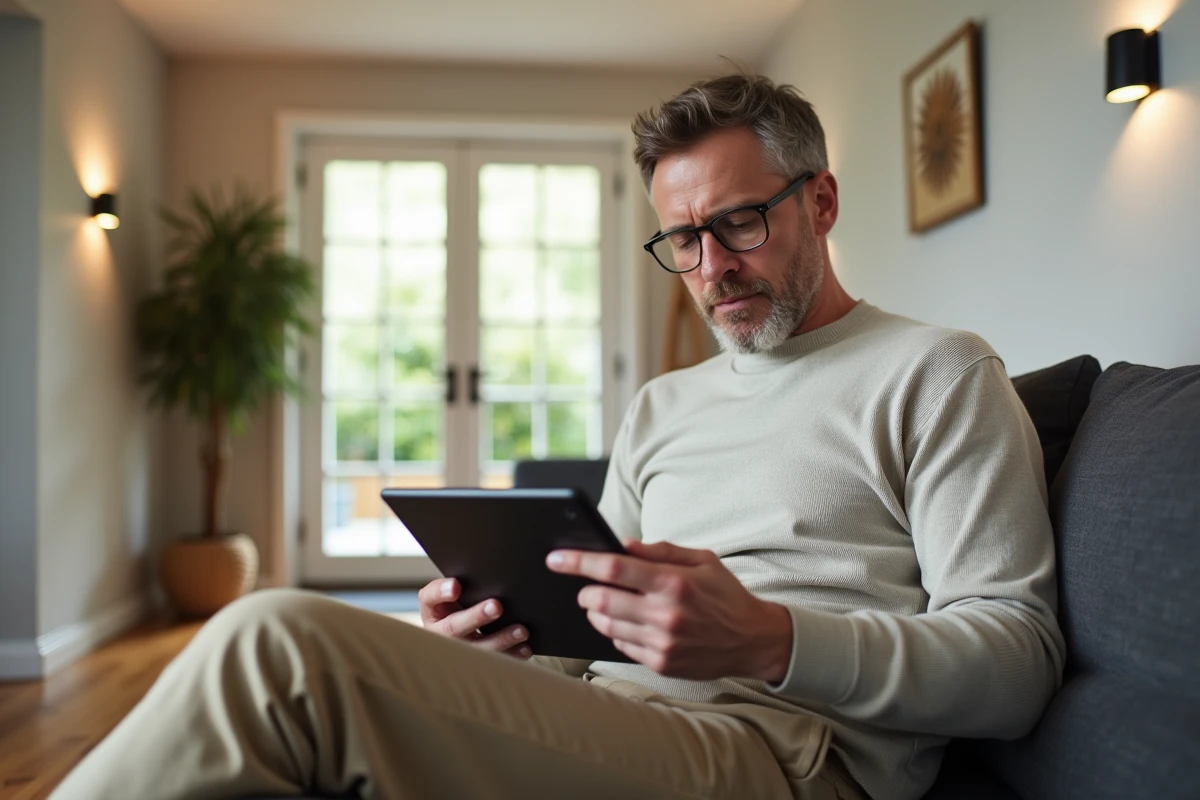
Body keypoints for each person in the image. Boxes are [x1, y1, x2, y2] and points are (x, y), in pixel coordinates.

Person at [52, 73, 1065, 800]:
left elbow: (1018, 659)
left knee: (278, 641)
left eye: (742, 222)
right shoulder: (666, 406)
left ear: (823, 201)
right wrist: (496, 651)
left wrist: (769, 636)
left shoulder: (936, 372)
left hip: (781, 754)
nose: (712, 265)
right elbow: (583, 646)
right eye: (683, 238)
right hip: (618, 730)